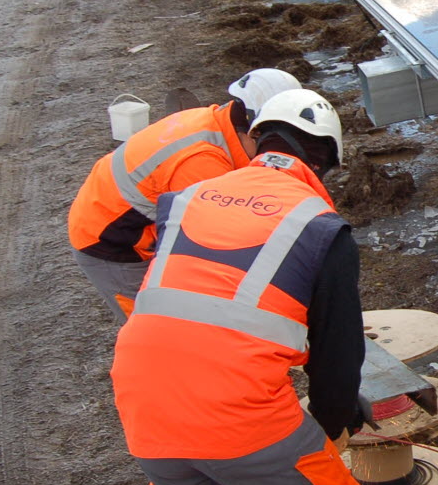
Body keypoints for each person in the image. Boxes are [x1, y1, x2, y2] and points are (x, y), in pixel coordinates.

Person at [109, 90, 438, 485]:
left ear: (259, 141)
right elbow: (337, 355)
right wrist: (335, 426)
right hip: (237, 414)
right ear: (323, 162)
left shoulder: (183, 199)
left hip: (143, 410)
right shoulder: (320, 229)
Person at [68, 68, 301, 320]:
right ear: (255, 130)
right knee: (155, 327)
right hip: (112, 242)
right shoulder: (201, 163)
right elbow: (218, 245)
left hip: (134, 214)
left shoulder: (214, 121)